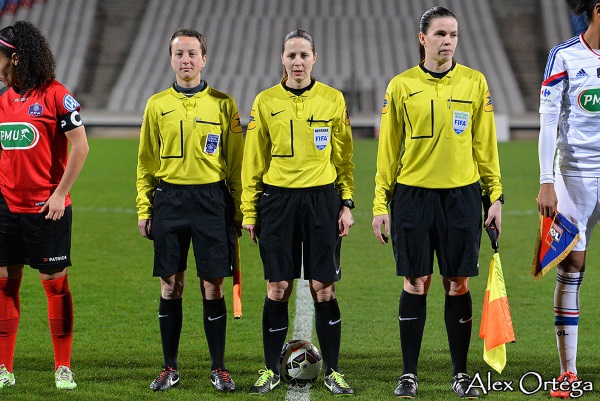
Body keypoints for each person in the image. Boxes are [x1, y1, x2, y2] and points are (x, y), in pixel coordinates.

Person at [372, 6, 503, 399]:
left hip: (461, 196)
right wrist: (381, 203)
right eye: (441, 34)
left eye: (454, 34)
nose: (448, 41)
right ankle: (408, 375)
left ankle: (460, 375)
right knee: (416, 281)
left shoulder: (475, 83)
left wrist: (494, 195)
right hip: (412, 196)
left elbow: (486, 145)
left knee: (456, 282)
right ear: (423, 38)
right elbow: (387, 150)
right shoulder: (400, 85)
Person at [241, 29, 355, 396]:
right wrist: (249, 210)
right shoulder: (265, 101)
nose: (298, 62)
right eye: (291, 55)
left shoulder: (333, 100)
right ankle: (269, 370)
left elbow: (344, 158)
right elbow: (252, 161)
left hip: (322, 201)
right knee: (277, 287)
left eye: (304, 55)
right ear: (282, 59)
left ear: (314, 58)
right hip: (277, 202)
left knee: (324, 288)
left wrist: (346, 202)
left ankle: (333, 371)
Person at [136, 28, 243, 393]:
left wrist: (241, 208)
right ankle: (169, 367)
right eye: (179, 53)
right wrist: (144, 207)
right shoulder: (156, 105)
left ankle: (219, 367)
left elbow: (236, 163)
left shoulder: (224, 104)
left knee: (212, 286)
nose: (186, 60)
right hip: (169, 201)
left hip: (212, 201)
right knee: (171, 286)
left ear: (204, 59)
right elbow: (146, 162)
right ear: (170, 59)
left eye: (192, 53)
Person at [0, 21, 89, 390]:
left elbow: (81, 147)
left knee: (54, 286)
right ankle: (4, 368)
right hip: (6, 209)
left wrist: (58, 194)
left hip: (47, 210)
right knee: (5, 286)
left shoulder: (56, 95)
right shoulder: (2, 100)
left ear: (15, 57)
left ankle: (62, 367)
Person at [537, 0, 600, 398]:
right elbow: (547, 119)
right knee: (572, 264)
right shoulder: (564, 56)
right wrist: (546, 180)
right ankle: (568, 371)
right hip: (574, 175)